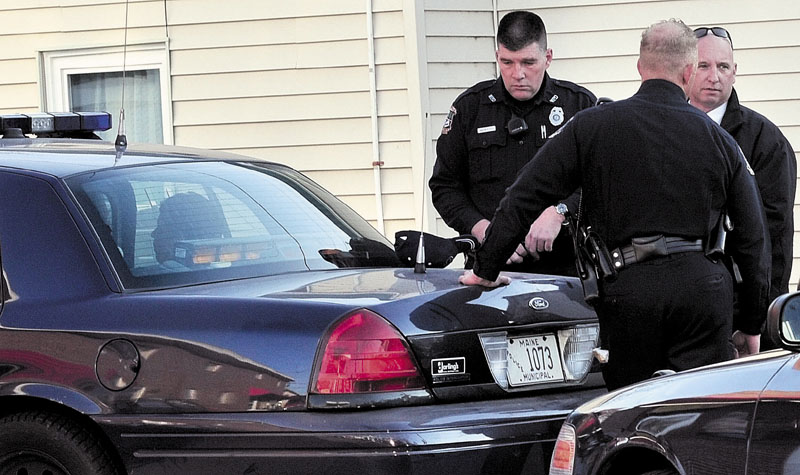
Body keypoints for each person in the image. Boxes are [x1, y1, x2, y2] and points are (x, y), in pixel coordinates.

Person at [459, 19, 771, 390]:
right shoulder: (720, 141)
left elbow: (523, 197)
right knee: (702, 417)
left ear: (640, 67)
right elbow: (754, 239)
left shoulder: (591, 127)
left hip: (629, 292)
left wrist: (487, 266)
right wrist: (751, 323)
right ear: (689, 72)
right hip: (702, 294)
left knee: (628, 415)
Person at [429, 10, 596, 276]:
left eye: (528, 62)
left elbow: (600, 180)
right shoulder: (470, 109)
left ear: (547, 58)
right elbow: (444, 187)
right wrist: (484, 229)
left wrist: (560, 212)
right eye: (507, 62)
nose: (518, 74)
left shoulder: (578, 106)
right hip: (491, 268)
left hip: (565, 267)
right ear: (497, 57)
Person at [688, 26, 796, 305]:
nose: (714, 76)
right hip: (674, 306)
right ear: (686, 69)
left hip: (738, 306)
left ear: (734, 71)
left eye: (723, 66)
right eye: (704, 65)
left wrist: (761, 317)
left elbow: (776, 237)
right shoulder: (661, 131)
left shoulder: (766, 140)